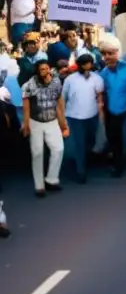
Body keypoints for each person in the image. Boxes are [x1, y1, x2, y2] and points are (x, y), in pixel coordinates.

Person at [21, 60, 67, 196]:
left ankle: (51, 180)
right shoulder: (29, 85)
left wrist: (63, 123)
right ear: (37, 71)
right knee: (37, 153)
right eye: (42, 69)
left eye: (47, 68)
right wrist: (26, 124)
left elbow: (59, 103)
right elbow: (26, 107)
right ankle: (39, 186)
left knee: (58, 149)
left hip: (52, 120)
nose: (46, 71)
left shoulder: (56, 82)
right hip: (35, 121)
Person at [62, 52, 104, 183]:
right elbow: (63, 98)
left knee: (91, 142)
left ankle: (89, 164)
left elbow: (99, 98)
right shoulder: (70, 80)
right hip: (74, 117)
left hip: (92, 116)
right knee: (79, 144)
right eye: (85, 64)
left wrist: (101, 115)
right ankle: (81, 172)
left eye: (89, 64)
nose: (87, 66)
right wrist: (63, 118)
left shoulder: (97, 79)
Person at [98, 37, 126, 178]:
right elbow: (101, 94)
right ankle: (118, 166)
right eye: (105, 54)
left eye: (111, 53)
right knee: (114, 140)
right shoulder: (103, 73)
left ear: (117, 53)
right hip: (111, 112)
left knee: (125, 139)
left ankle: (123, 161)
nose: (107, 57)